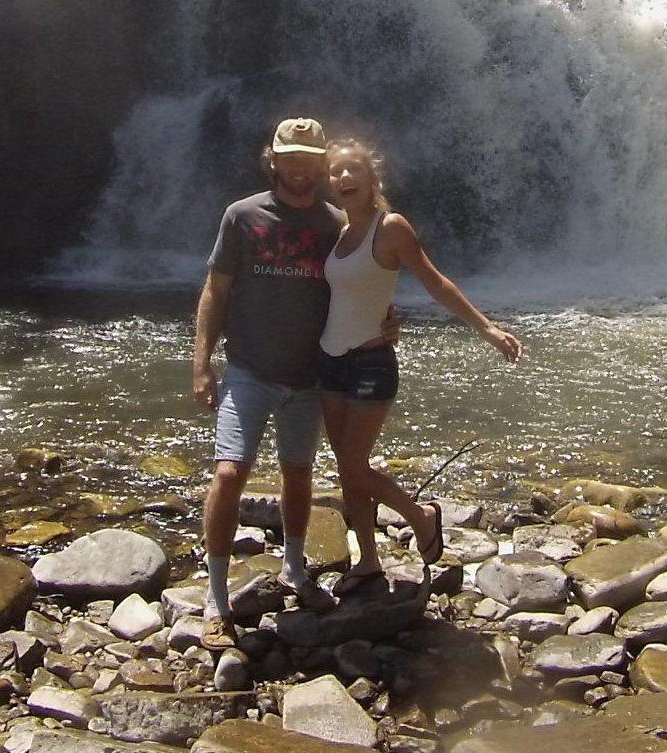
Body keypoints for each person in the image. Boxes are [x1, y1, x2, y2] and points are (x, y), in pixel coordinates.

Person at [191, 116, 397, 651]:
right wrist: (201, 362)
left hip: (311, 375)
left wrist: (386, 319)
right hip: (250, 372)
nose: (301, 166)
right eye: (292, 157)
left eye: (311, 158)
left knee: (299, 475)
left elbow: (367, 277)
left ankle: (294, 570)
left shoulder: (337, 221)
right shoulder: (242, 216)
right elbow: (215, 290)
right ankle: (216, 602)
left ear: (321, 164)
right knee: (230, 472)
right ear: (275, 159)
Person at [317, 138, 523, 595]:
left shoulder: (389, 227)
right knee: (347, 467)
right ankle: (368, 560)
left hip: (371, 362)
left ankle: (419, 516)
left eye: (354, 170)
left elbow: (435, 282)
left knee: (353, 467)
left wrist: (486, 328)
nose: (345, 178)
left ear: (373, 179)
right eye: (336, 172)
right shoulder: (337, 231)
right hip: (329, 362)